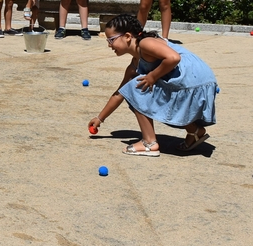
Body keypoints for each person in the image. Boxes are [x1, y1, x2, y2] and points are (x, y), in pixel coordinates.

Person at [88, 14, 218, 157]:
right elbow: (119, 93)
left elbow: (174, 58)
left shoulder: (145, 43)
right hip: (198, 83)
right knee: (138, 86)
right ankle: (195, 132)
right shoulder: (134, 66)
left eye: (111, 39)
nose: (109, 45)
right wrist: (100, 118)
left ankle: (149, 142)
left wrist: (153, 76)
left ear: (127, 36)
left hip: (192, 82)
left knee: (137, 87)